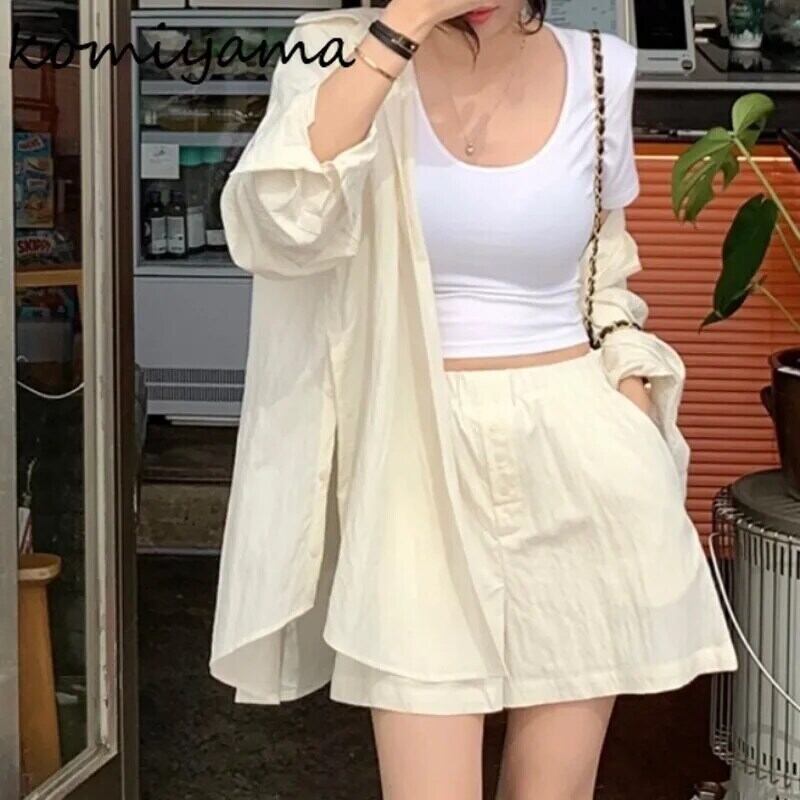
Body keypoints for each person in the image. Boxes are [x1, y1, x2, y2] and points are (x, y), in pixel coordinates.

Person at [209, 3, 739, 798]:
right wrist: (404, 26)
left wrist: (631, 408)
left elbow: (605, 275)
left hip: (579, 454)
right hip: (413, 453)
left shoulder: (602, 67)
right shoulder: (334, 51)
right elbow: (279, 229)